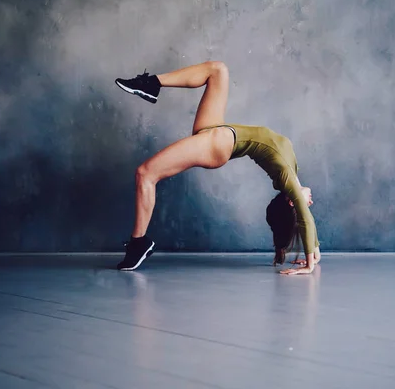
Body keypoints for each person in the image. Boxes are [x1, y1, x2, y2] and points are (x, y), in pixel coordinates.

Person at [114, 61, 321, 275]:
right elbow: (305, 218)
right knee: (218, 70)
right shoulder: (291, 168)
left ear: (291, 201)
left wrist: (308, 265)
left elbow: (305, 217)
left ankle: (138, 244)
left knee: (145, 173)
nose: (311, 200)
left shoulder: (286, 176)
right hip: (218, 129)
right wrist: (315, 252)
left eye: (306, 203)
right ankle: (151, 83)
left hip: (217, 145)